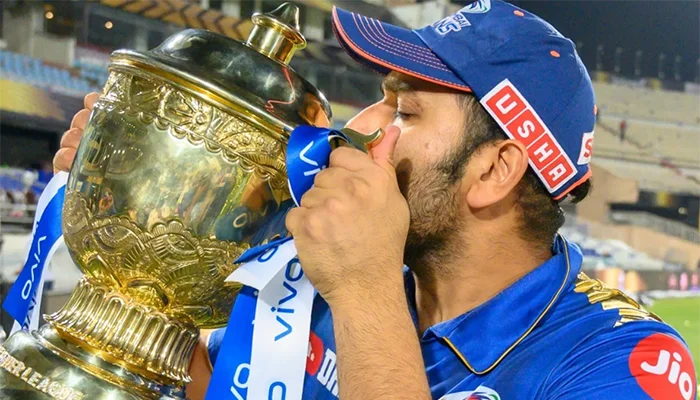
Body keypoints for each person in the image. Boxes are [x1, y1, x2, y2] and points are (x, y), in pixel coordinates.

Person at [54, 1, 697, 399]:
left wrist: (366, 297)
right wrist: (131, 197)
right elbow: (215, 389)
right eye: (379, 97)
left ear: (496, 169)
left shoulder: (621, 365)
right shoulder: (326, 280)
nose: (360, 125)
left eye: (404, 111)